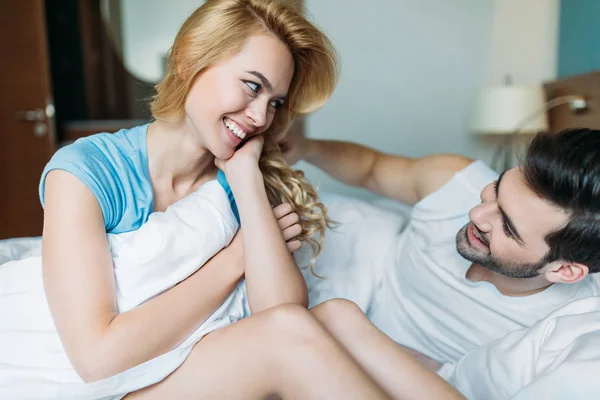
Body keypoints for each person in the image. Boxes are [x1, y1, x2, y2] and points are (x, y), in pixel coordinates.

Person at [0, 1, 468, 399]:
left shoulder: (237, 173)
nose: (261, 115)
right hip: (123, 385)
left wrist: (245, 180)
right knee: (288, 338)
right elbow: (96, 358)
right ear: (189, 62)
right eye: (252, 86)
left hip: (196, 362)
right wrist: (235, 258)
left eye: (276, 102)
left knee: (340, 315)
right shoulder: (85, 172)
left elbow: (280, 309)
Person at [282, 126, 600, 369]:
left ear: (564, 270)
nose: (476, 213)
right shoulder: (455, 181)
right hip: (356, 290)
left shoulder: (566, 331)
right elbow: (372, 169)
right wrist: (307, 147)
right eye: (497, 190)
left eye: (508, 226)